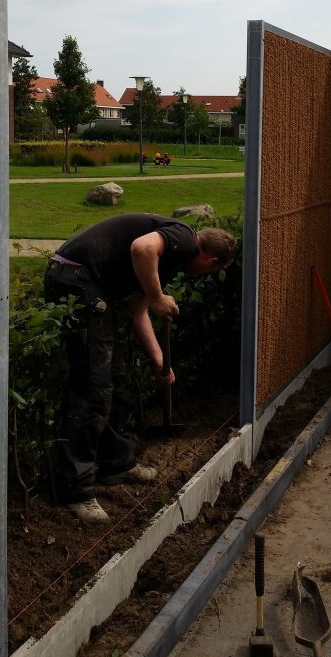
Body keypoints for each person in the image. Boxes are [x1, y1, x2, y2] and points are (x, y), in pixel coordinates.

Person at [44, 214, 236, 523]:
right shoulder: (185, 239)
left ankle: (116, 463)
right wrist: (159, 296)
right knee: (93, 387)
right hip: (74, 278)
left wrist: (160, 359)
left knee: (113, 376)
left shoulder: (172, 256)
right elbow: (142, 248)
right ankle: (75, 492)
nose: (200, 276)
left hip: (87, 284)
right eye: (209, 271)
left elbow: (138, 311)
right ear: (211, 260)